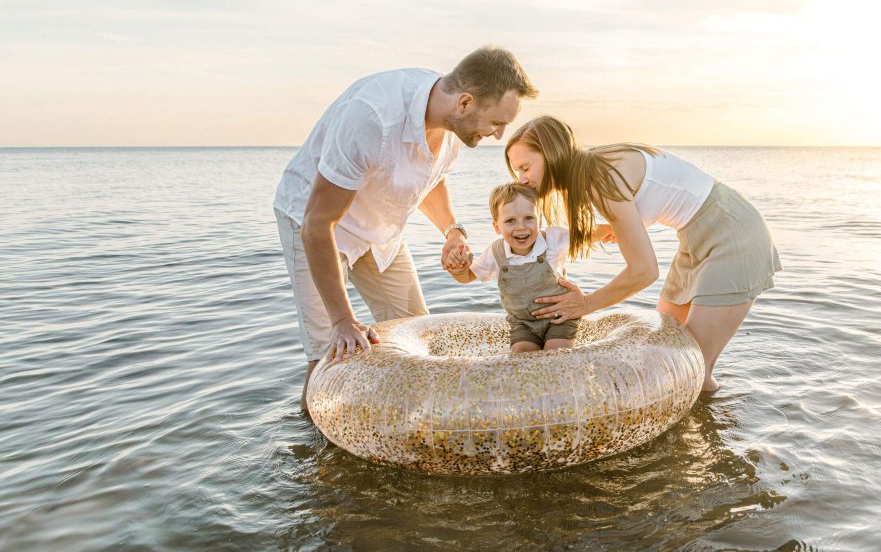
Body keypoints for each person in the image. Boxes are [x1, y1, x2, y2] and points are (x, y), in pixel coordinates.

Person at [274, 46, 538, 411]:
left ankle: (411, 424)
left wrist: (452, 230)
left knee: (417, 335)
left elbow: (430, 179)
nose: (498, 135)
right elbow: (317, 225)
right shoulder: (370, 118)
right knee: (329, 356)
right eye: (496, 123)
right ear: (464, 103)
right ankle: (310, 456)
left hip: (382, 229)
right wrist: (342, 320)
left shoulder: (452, 127)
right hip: (317, 225)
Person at [504, 115, 781, 393]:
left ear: (551, 153)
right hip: (697, 237)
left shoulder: (600, 177)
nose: (522, 179)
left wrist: (584, 305)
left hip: (733, 234)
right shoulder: (596, 166)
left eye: (525, 167)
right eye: (518, 172)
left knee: (693, 371)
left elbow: (644, 271)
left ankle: (717, 431)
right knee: (665, 350)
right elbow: (661, 196)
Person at [444, 183, 576, 352]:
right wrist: (459, 270)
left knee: (555, 354)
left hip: (560, 317)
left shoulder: (553, 239)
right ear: (497, 227)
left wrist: (612, 230)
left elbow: (587, 234)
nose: (521, 226)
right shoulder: (496, 252)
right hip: (523, 324)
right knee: (521, 354)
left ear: (540, 220)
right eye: (510, 221)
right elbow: (469, 276)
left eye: (529, 218)